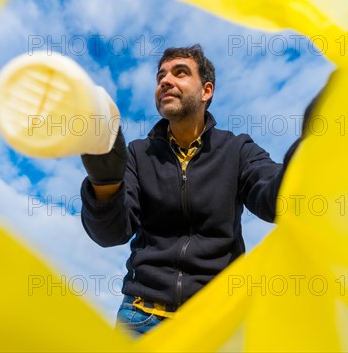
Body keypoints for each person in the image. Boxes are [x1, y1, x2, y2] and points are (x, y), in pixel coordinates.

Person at [80, 44, 303, 336]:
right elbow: (110, 234)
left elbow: (275, 201)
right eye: (161, 76)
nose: (165, 81)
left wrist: (309, 152)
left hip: (216, 322)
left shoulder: (237, 150)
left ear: (206, 90)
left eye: (180, 73)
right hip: (140, 319)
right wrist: (105, 183)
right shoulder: (137, 154)